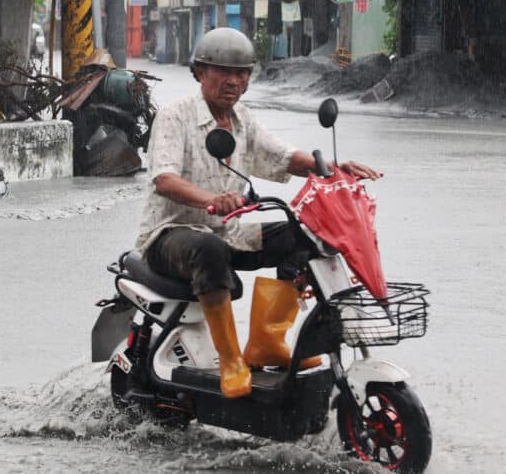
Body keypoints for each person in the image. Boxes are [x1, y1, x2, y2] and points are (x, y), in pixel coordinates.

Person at [136, 27, 380, 398]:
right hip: (170, 234)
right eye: (222, 71)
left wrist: (331, 167)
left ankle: (266, 342)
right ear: (200, 72)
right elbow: (164, 180)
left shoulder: (243, 121)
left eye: (242, 73)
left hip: (225, 231)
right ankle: (231, 360)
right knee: (209, 250)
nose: (233, 81)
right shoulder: (176, 116)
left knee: (304, 235)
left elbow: (282, 156)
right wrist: (211, 199)